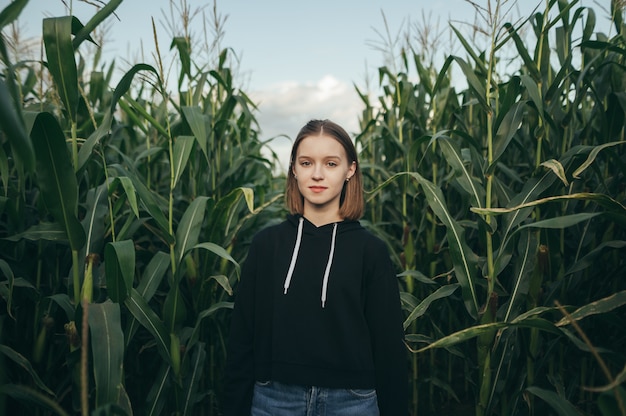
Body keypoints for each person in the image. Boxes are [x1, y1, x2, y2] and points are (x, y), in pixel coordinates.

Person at [222, 119, 408, 415]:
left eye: (331, 164)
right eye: (306, 163)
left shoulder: (370, 252)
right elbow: (242, 337)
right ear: (294, 169)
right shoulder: (266, 246)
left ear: (350, 170)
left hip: (351, 403)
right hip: (275, 400)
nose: (317, 174)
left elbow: (389, 349)